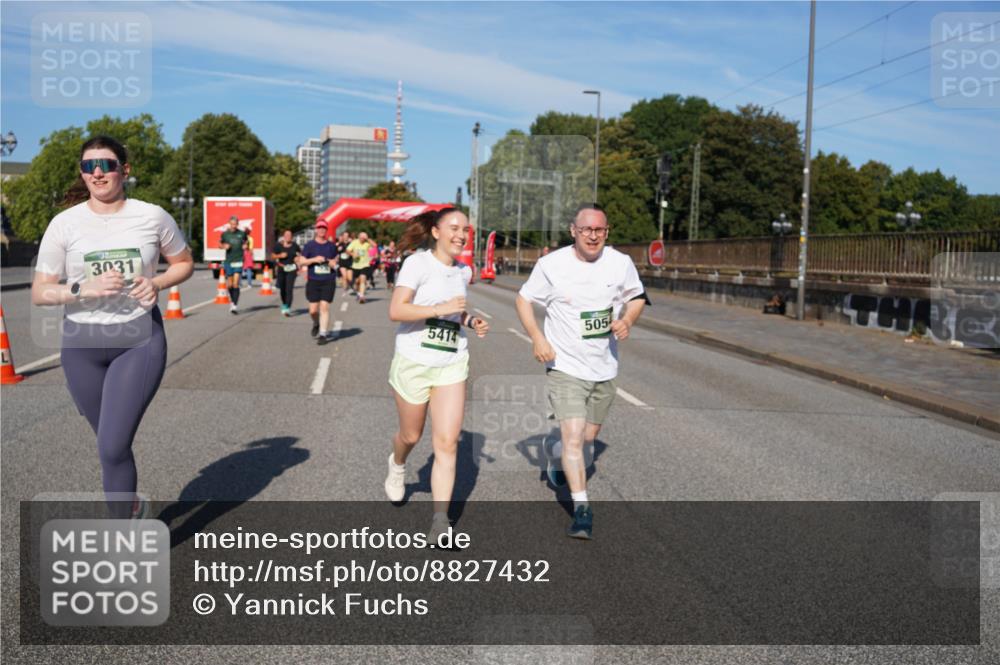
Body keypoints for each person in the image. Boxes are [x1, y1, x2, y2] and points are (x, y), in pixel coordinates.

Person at [32, 135, 194, 518]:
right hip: (80, 346)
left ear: (125, 170)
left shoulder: (152, 216)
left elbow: (183, 262)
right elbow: (40, 292)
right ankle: (132, 505)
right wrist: (81, 288)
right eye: (89, 166)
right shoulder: (64, 224)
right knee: (108, 443)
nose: (98, 172)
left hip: (137, 341)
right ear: (82, 173)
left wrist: (156, 283)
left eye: (106, 164)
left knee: (111, 445)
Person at [515, 204, 646, 540]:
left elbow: (637, 297)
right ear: (573, 230)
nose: (593, 235)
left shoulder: (620, 262)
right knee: (574, 438)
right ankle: (582, 508)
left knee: (586, 440)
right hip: (565, 366)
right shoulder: (551, 264)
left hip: (604, 366)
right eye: (586, 229)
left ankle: (556, 457)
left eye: (599, 230)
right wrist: (537, 338)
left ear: (607, 232)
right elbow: (523, 299)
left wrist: (627, 320)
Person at [384, 208, 489, 542]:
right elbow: (396, 310)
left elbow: (455, 314)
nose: (461, 235)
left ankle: (440, 522)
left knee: (447, 443)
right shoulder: (417, 263)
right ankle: (398, 463)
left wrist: (470, 321)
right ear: (435, 231)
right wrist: (438, 310)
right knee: (411, 436)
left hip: (451, 362)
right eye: (454, 228)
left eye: (465, 230)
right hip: (414, 361)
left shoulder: (464, 271)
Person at [301, 220, 338, 344]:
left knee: (324, 307)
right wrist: (314, 259)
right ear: (316, 230)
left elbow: (334, 263)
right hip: (313, 281)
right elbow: (301, 261)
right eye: (320, 228)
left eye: (324, 228)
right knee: (313, 310)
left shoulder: (331, 246)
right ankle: (316, 323)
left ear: (326, 230)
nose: (322, 230)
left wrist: (327, 260)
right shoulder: (309, 246)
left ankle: (323, 334)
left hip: (328, 280)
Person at [220, 215, 248, 314]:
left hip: (239, 260)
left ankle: (234, 305)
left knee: (236, 283)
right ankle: (232, 300)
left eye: (235, 224)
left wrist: (245, 246)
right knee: (230, 284)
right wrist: (224, 246)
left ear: (237, 224)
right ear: (229, 224)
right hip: (228, 261)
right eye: (232, 224)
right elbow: (220, 244)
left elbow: (246, 242)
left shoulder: (242, 234)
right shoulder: (225, 234)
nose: (233, 226)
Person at [271, 229, 301, 316]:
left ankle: (287, 307)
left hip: (292, 269)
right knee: (283, 290)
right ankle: (284, 303)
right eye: (286, 235)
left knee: (289, 289)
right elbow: (272, 256)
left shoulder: (295, 245)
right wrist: (280, 255)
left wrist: (297, 259)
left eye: (289, 235)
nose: (288, 236)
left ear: (291, 237)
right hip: (281, 269)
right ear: (283, 236)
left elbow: (299, 255)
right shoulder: (278, 245)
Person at [348, 231, 374, 304]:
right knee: (357, 282)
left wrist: (368, 239)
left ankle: (362, 296)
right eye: (361, 237)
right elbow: (347, 250)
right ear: (358, 237)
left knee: (363, 279)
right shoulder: (354, 242)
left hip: (365, 265)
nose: (362, 239)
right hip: (355, 266)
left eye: (364, 237)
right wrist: (352, 254)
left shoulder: (367, 243)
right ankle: (358, 292)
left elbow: (374, 245)